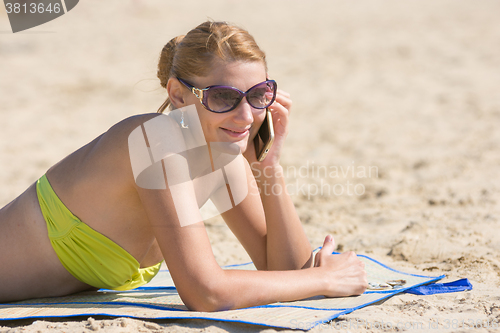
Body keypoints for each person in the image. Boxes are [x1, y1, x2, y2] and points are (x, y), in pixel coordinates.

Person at [0, 21, 367, 311]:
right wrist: (327, 280)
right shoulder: (156, 140)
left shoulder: (224, 156)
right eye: (223, 97)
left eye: (258, 96)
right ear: (178, 94)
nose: (245, 116)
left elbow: (287, 273)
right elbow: (205, 293)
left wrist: (268, 166)